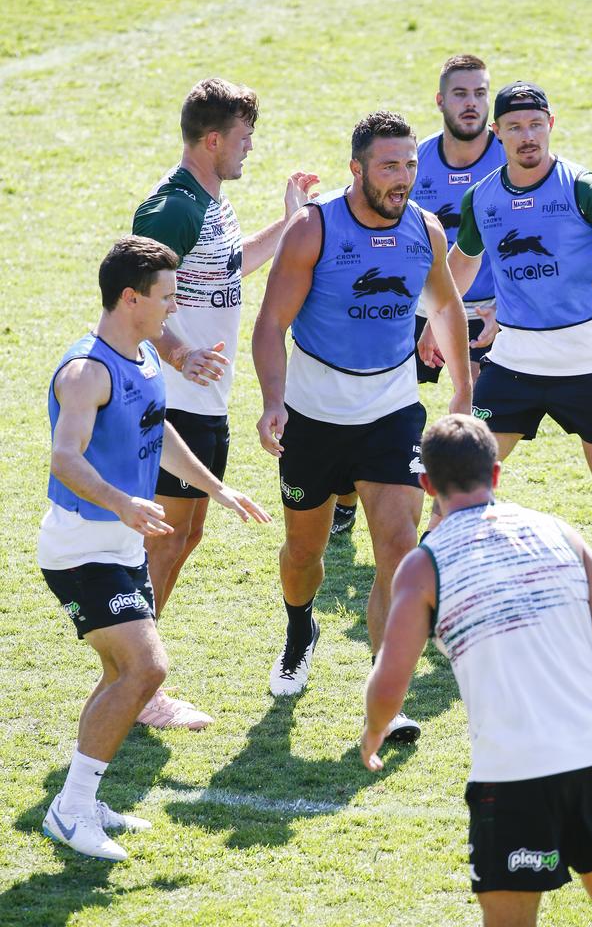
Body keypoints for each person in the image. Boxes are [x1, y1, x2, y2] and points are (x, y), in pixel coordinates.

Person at [362, 414, 592, 927]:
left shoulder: (423, 566)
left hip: (512, 775)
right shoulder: (560, 533)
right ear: (496, 475)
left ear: (426, 484)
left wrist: (373, 730)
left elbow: (390, 681)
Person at [39, 236, 270, 861]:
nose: (174, 308)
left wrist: (216, 488)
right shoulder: (86, 371)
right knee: (147, 669)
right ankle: (69, 810)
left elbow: (155, 429)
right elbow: (65, 457)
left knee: (124, 673)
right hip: (83, 545)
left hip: (118, 543)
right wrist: (121, 501)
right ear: (130, 297)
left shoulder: (141, 356)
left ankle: (83, 804)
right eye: (167, 297)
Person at [420, 81, 592, 607]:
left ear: (551, 125)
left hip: (586, 362)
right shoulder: (484, 198)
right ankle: (436, 589)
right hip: (515, 361)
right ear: (496, 134)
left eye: (536, 124)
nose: (527, 137)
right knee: (463, 471)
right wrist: (434, 318)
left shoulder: (581, 187)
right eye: (515, 127)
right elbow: (464, 261)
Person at [252, 111, 472, 742]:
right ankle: (301, 628)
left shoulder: (423, 230)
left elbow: (445, 307)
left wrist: (461, 386)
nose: (403, 178)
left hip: (392, 411)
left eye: (409, 165)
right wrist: (274, 403)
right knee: (304, 554)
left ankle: (386, 691)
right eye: (388, 166)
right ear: (357, 170)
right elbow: (270, 326)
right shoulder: (312, 230)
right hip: (314, 417)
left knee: (399, 549)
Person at [132, 77, 318, 728]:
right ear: (212, 140)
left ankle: (136, 674)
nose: (249, 149)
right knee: (166, 540)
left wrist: (292, 218)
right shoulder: (174, 206)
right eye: (242, 138)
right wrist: (178, 349)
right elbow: (130, 285)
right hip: (173, 401)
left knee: (182, 537)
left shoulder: (209, 204)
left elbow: (227, 266)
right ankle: (136, 683)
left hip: (204, 403)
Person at [330, 54, 506, 538]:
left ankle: (444, 523)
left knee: (468, 410)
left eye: (479, 94)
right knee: (369, 401)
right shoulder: (414, 161)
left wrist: (506, 308)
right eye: (460, 94)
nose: (471, 105)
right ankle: (346, 496)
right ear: (440, 100)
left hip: (485, 312)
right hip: (409, 307)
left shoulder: (510, 162)